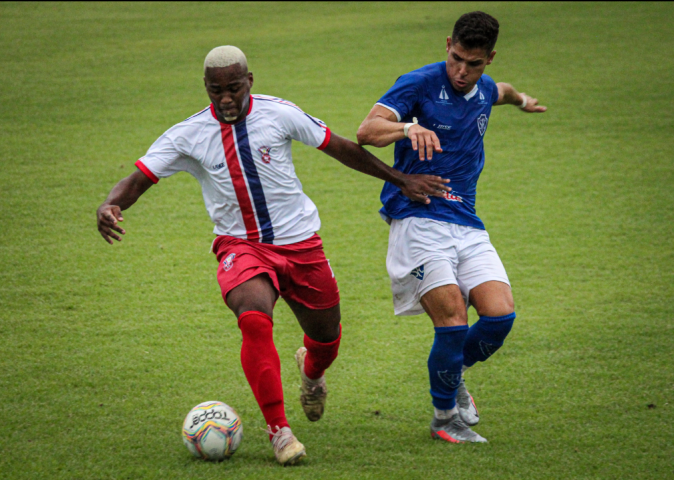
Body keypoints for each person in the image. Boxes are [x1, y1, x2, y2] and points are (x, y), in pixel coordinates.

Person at [96, 46, 449, 465]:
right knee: (253, 318)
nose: (225, 99)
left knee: (326, 340)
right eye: (215, 91)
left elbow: (339, 147)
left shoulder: (279, 113)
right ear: (205, 89)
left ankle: (312, 372)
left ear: (249, 81)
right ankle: (279, 431)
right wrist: (111, 204)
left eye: (233, 88)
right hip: (240, 246)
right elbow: (139, 179)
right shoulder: (186, 134)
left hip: (300, 244)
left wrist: (400, 178)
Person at [357, 11, 546, 444]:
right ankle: (445, 418)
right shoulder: (420, 83)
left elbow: (505, 91)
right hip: (417, 218)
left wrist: (523, 101)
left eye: (474, 63)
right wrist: (408, 127)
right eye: (457, 59)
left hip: (467, 223)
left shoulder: (483, 90)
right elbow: (366, 130)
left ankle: (453, 371)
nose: (462, 72)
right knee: (453, 323)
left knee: (500, 316)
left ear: (489, 59)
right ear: (447, 45)